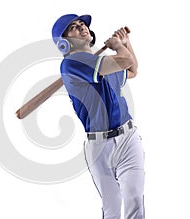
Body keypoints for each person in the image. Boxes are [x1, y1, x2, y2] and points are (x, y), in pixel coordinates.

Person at [52, 14, 145, 219]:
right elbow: (125, 60)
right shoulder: (71, 64)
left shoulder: (103, 63)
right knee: (112, 207)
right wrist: (117, 45)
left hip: (128, 137)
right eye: (73, 27)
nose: (81, 27)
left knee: (135, 198)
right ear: (64, 43)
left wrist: (125, 43)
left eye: (82, 24)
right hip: (100, 146)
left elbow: (132, 69)